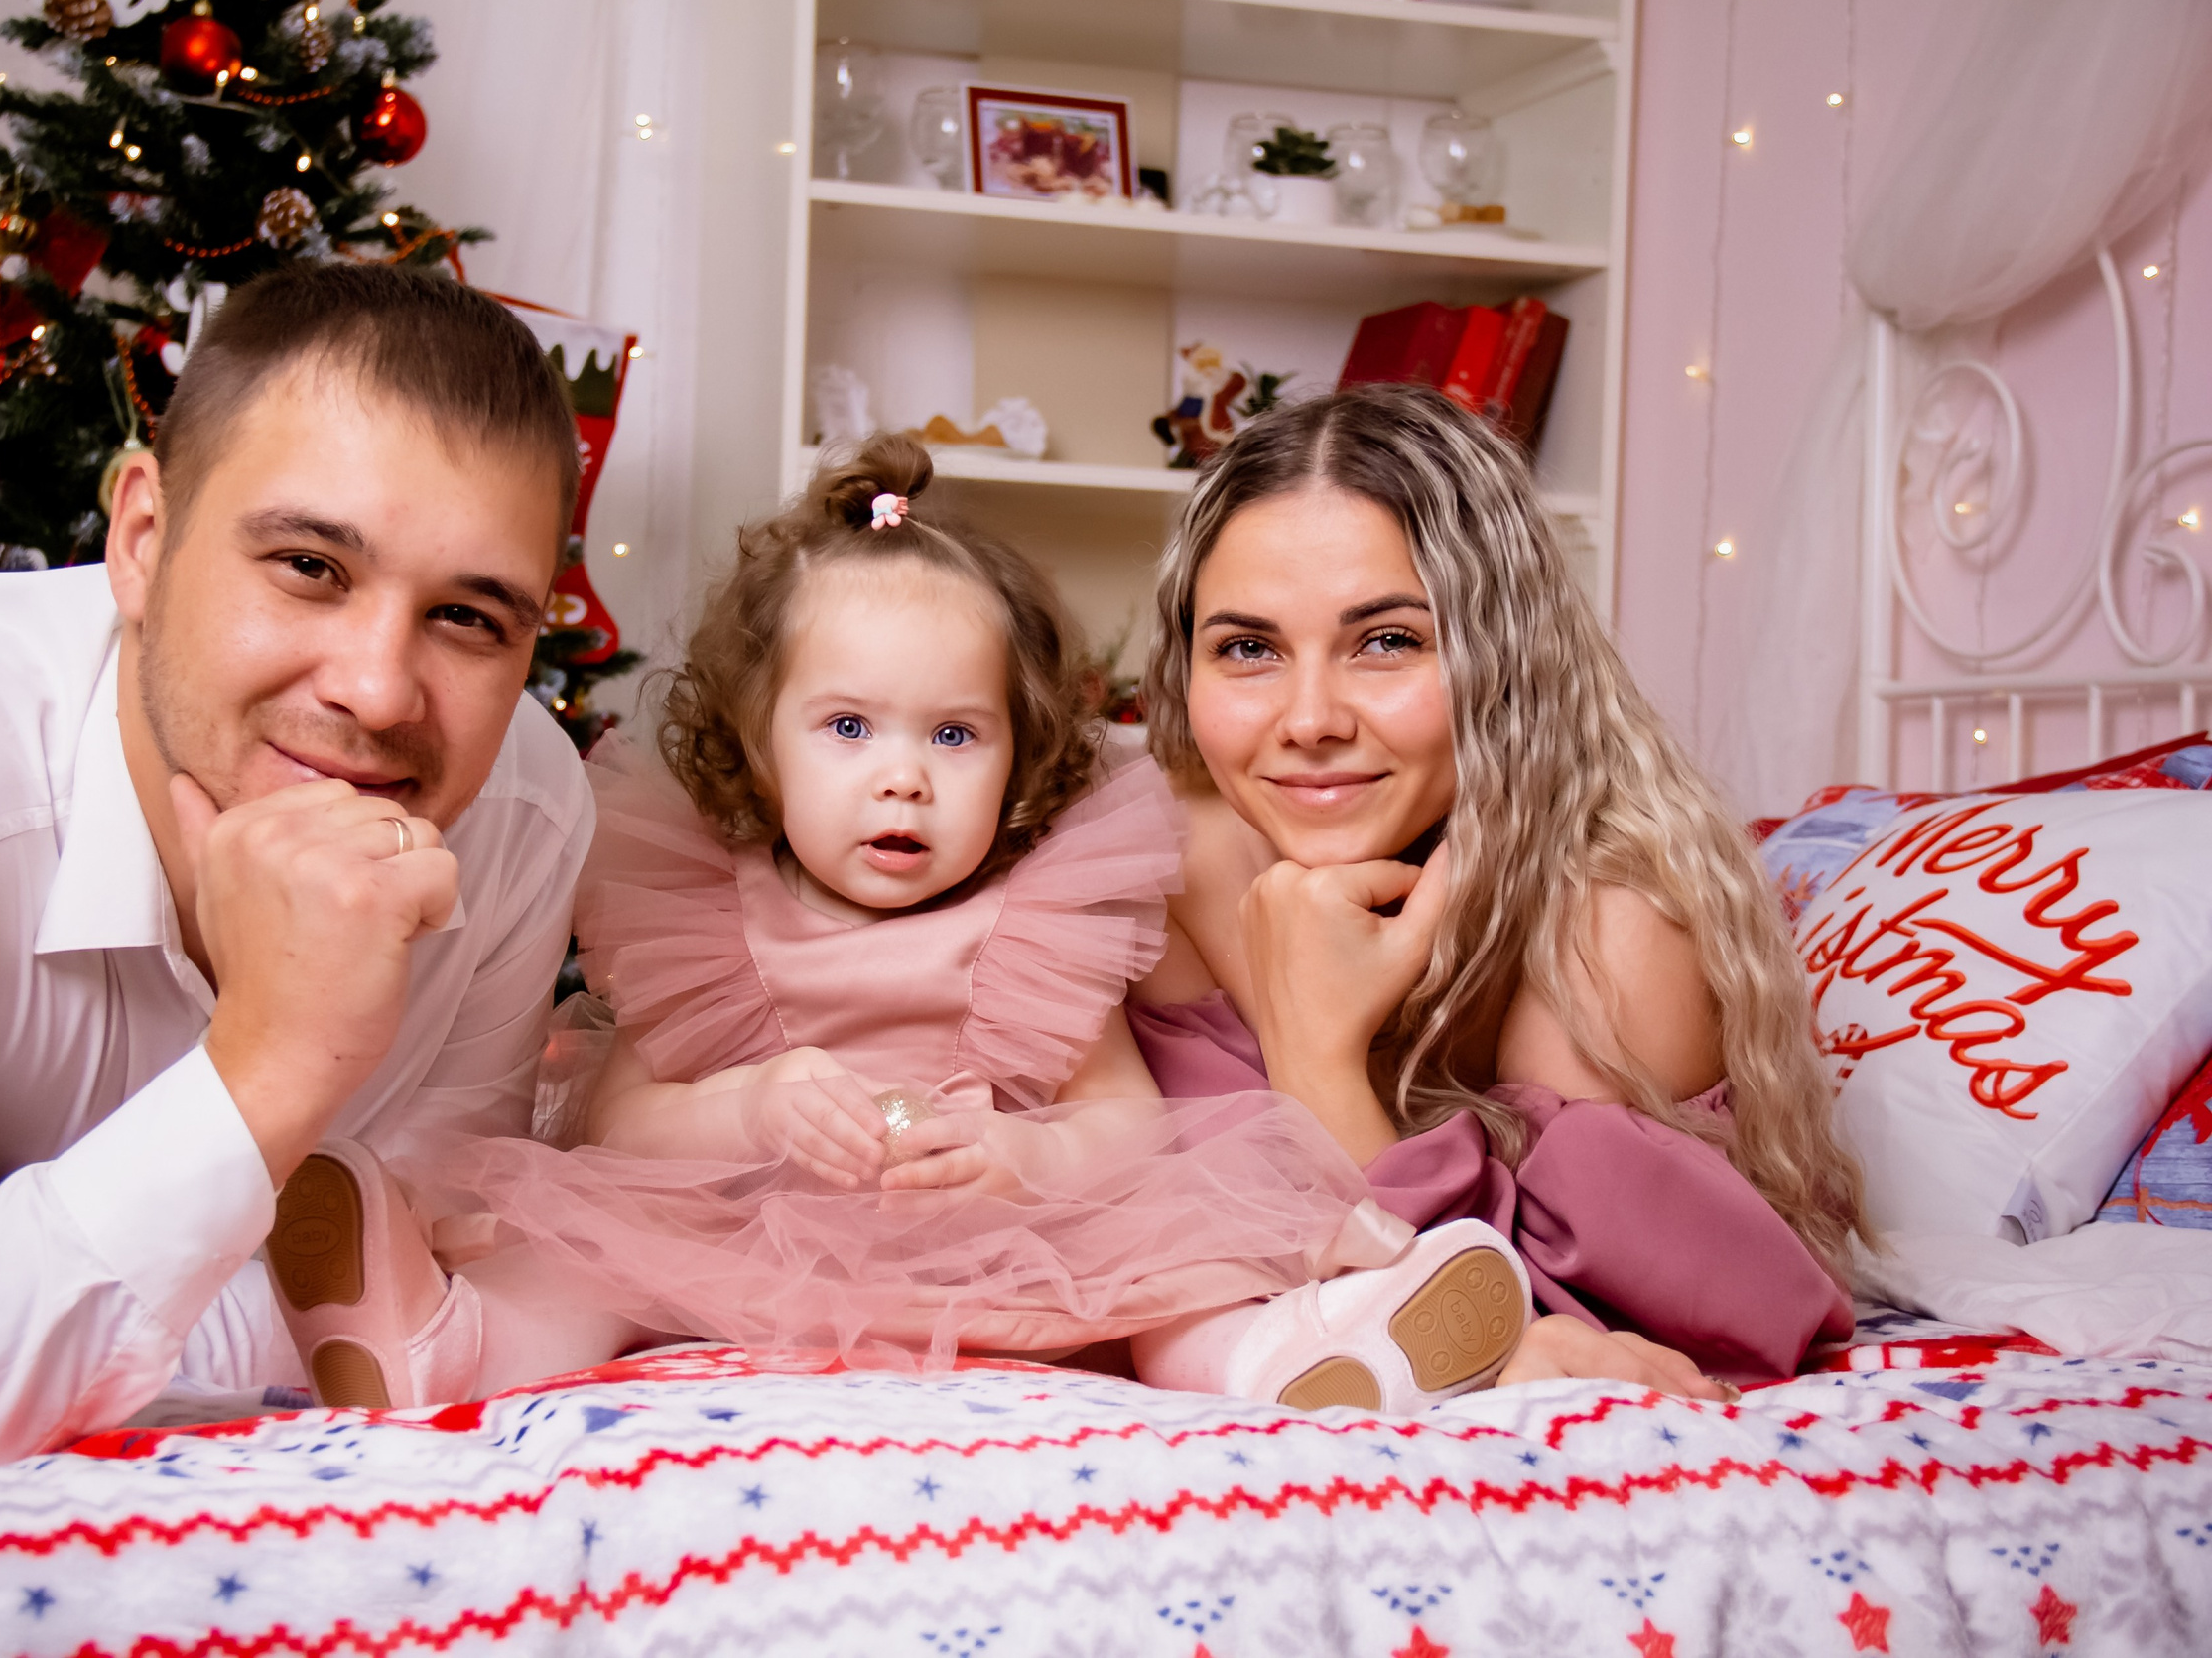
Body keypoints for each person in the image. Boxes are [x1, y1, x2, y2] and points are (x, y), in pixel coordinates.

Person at [268, 435, 1535, 1417]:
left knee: (1172, 1278)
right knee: (583, 1257)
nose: (902, 778)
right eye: (847, 728)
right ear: (758, 749)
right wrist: (754, 1106)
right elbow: (617, 1123)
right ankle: (440, 1347)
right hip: (746, 1233)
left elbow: (1126, 1121)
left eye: (952, 734)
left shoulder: (1035, 924)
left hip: (996, 1235)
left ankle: (1295, 1363)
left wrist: (1025, 1161)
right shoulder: (712, 918)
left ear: (1019, 752)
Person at [0, 263, 590, 1502]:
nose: (377, 692)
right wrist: (260, 1073)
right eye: (311, 566)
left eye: (471, 618)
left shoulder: (525, 808)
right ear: (143, 540)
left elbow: (398, 1306)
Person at [1123, 385, 1866, 1393]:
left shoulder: (1606, 928)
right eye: (1248, 649)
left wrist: (1318, 1055)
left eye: (1386, 640)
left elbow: (1597, 1329)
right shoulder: (1155, 861)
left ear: (1502, 659)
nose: (1306, 720)